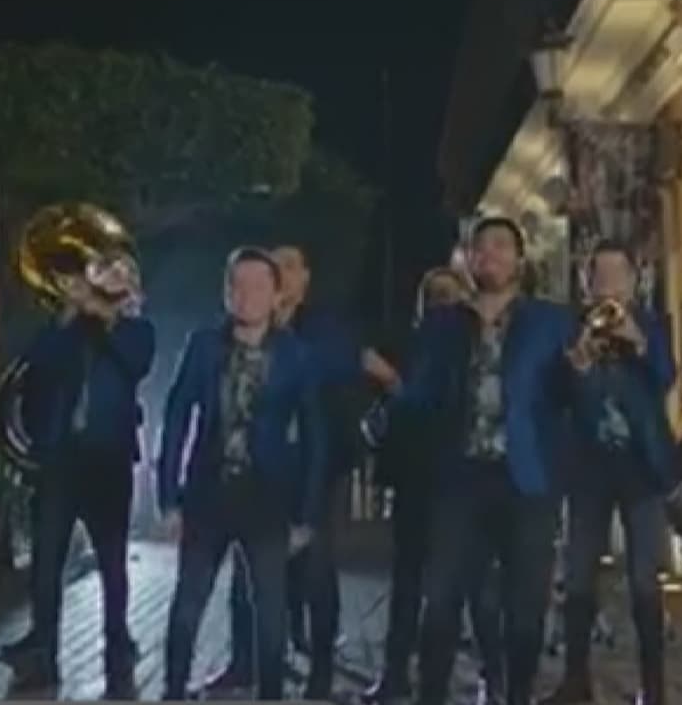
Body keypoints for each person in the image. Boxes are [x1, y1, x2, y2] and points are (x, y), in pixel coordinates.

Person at [393, 217, 574, 705]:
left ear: (520, 259)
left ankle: (517, 695)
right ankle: (432, 695)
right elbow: (421, 396)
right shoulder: (442, 324)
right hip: (460, 479)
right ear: (468, 260)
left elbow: (567, 399)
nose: (489, 255)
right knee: (441, 600)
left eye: (500, 246)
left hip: (526, 479)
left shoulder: (552, 322)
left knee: (525, 608)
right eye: (479, 247)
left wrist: (576, 373)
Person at [207, 244, 397, 699]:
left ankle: (321, 671)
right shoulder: (243, 326)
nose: (282, 273)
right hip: (256, 469)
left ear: (306, 278)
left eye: (291, 266)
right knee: (246, 571)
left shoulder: (324, 328)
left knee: (316, 568)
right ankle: (243, 663)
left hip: (316, 467)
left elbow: (348, 364)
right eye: (276, 266)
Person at [158, 247, 326, 701]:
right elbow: (176, 418)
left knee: (269, 611)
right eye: (238, 285)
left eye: (258, 286)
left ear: (276, 295)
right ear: (226, 293)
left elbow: (316, 436)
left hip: (268, 498)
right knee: (188, 604)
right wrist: (168, 498)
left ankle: (269, 694)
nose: (247, 295)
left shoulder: (296, 355)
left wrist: (306, 515)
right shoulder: (203, 346)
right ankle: (172, 691)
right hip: (207, 494)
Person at [4, 259, 154, 697]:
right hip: (61, 461)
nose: (108, 280)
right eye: (103, 272)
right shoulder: (67, 330)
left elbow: (135, 363)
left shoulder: (137, 330)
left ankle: (117, 655)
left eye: (120, 275)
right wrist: (69, 314)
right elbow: (36, 364)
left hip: (109, 461)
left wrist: (105, 314)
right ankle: (43, 658)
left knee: (112, 565)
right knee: (46, 564)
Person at [363, 266, 504, 705]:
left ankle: (494, 679)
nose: (442, 305)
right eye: (434, 298)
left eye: (450, 296)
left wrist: (394, 383)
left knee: (477, 587)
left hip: (463, 486)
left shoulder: (476, 353)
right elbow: (392, 419)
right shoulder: (410, 347)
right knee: (407, 583)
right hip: (417, 484)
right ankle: (395, 677)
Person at [546, 240, 675, 705]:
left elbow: (666, 378)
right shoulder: (569, 328)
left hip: (640, 466)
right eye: (599, 277)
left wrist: (638, 341)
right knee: (579, 576)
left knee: (644, 581)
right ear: (586, 283)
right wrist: (577, 367)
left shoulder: (654, 325)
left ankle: (653, 688)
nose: (608, 285)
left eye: (617, 276)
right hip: (587, 469)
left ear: (634, 282)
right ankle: (575, 681)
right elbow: (555, 396)